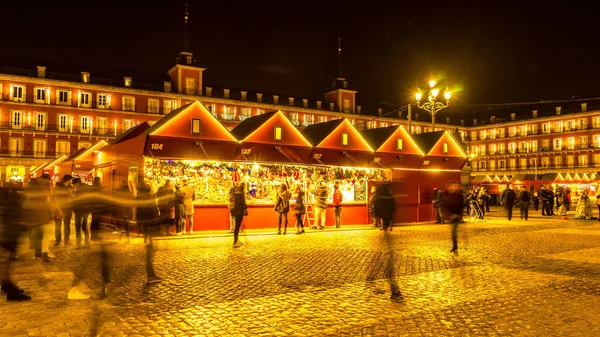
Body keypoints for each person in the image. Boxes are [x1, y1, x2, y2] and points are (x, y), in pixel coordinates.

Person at [0, 185, 31, 301]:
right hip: (7, 236)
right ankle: (10, 290)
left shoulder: (6, 200)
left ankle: (7, 286)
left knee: (5, 265)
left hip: (7, 236)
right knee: (5, 265)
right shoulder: (10, 201)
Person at [136, 182, 162, 284]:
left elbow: (138, 210)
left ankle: (150, 273)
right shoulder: (149, 197)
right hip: (150, 223)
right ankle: (150, 274)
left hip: (144, 222)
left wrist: (138, 222)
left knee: (149, 248)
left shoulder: (139, 197)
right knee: (150, 250)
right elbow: (153, 210)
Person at [24, 174, 54, 263]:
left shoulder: (42, 187)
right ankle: (41, 254)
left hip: (39, 214)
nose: (46, 183)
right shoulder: (34, 186)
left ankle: (40, 254)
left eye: (47, 182)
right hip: (37, 214)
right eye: (45, 181)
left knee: (41, 234)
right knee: (40, 235)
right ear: (41, 179)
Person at [442, 180, 464, 253]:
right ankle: (455, 246)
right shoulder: (446, 194)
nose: (453, 187)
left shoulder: (459, 195)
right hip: (451, 215)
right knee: (453, 232)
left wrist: (458, 215)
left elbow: (461, 205)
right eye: (452, 186)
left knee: (453, 231)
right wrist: (449, 215)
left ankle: (455, 247)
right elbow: (445, 205)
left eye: (455, 186)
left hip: (456, 215)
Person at [53, 174, 73, 247]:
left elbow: (71, 197)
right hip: (58, 208)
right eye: (71, 179)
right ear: (67, 180)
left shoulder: (71, 187)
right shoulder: (57, 187)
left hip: (68, 208)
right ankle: (57, 241)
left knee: (67, 226)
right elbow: (55, 198)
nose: (72, 181)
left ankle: (66, 241)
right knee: (58, 226)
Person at [72, 178, 91, 249]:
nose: (74, 186)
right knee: (85, 227)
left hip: (79, 210)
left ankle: (78, 244)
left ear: (77, 183)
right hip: (86, 210)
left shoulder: (79, 190)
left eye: (74, 185)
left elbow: (78, 201)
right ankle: (87, 243)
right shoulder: (88, 188)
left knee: (78, 227)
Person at [230, 183, 247, 248]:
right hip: (240, 212)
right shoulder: (241, 194)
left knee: (236, 226)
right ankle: (235, 242)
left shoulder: (235, 194)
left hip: (235, 211)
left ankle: (236, 240)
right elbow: (243, 204)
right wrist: (246, 206)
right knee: (237, 227)